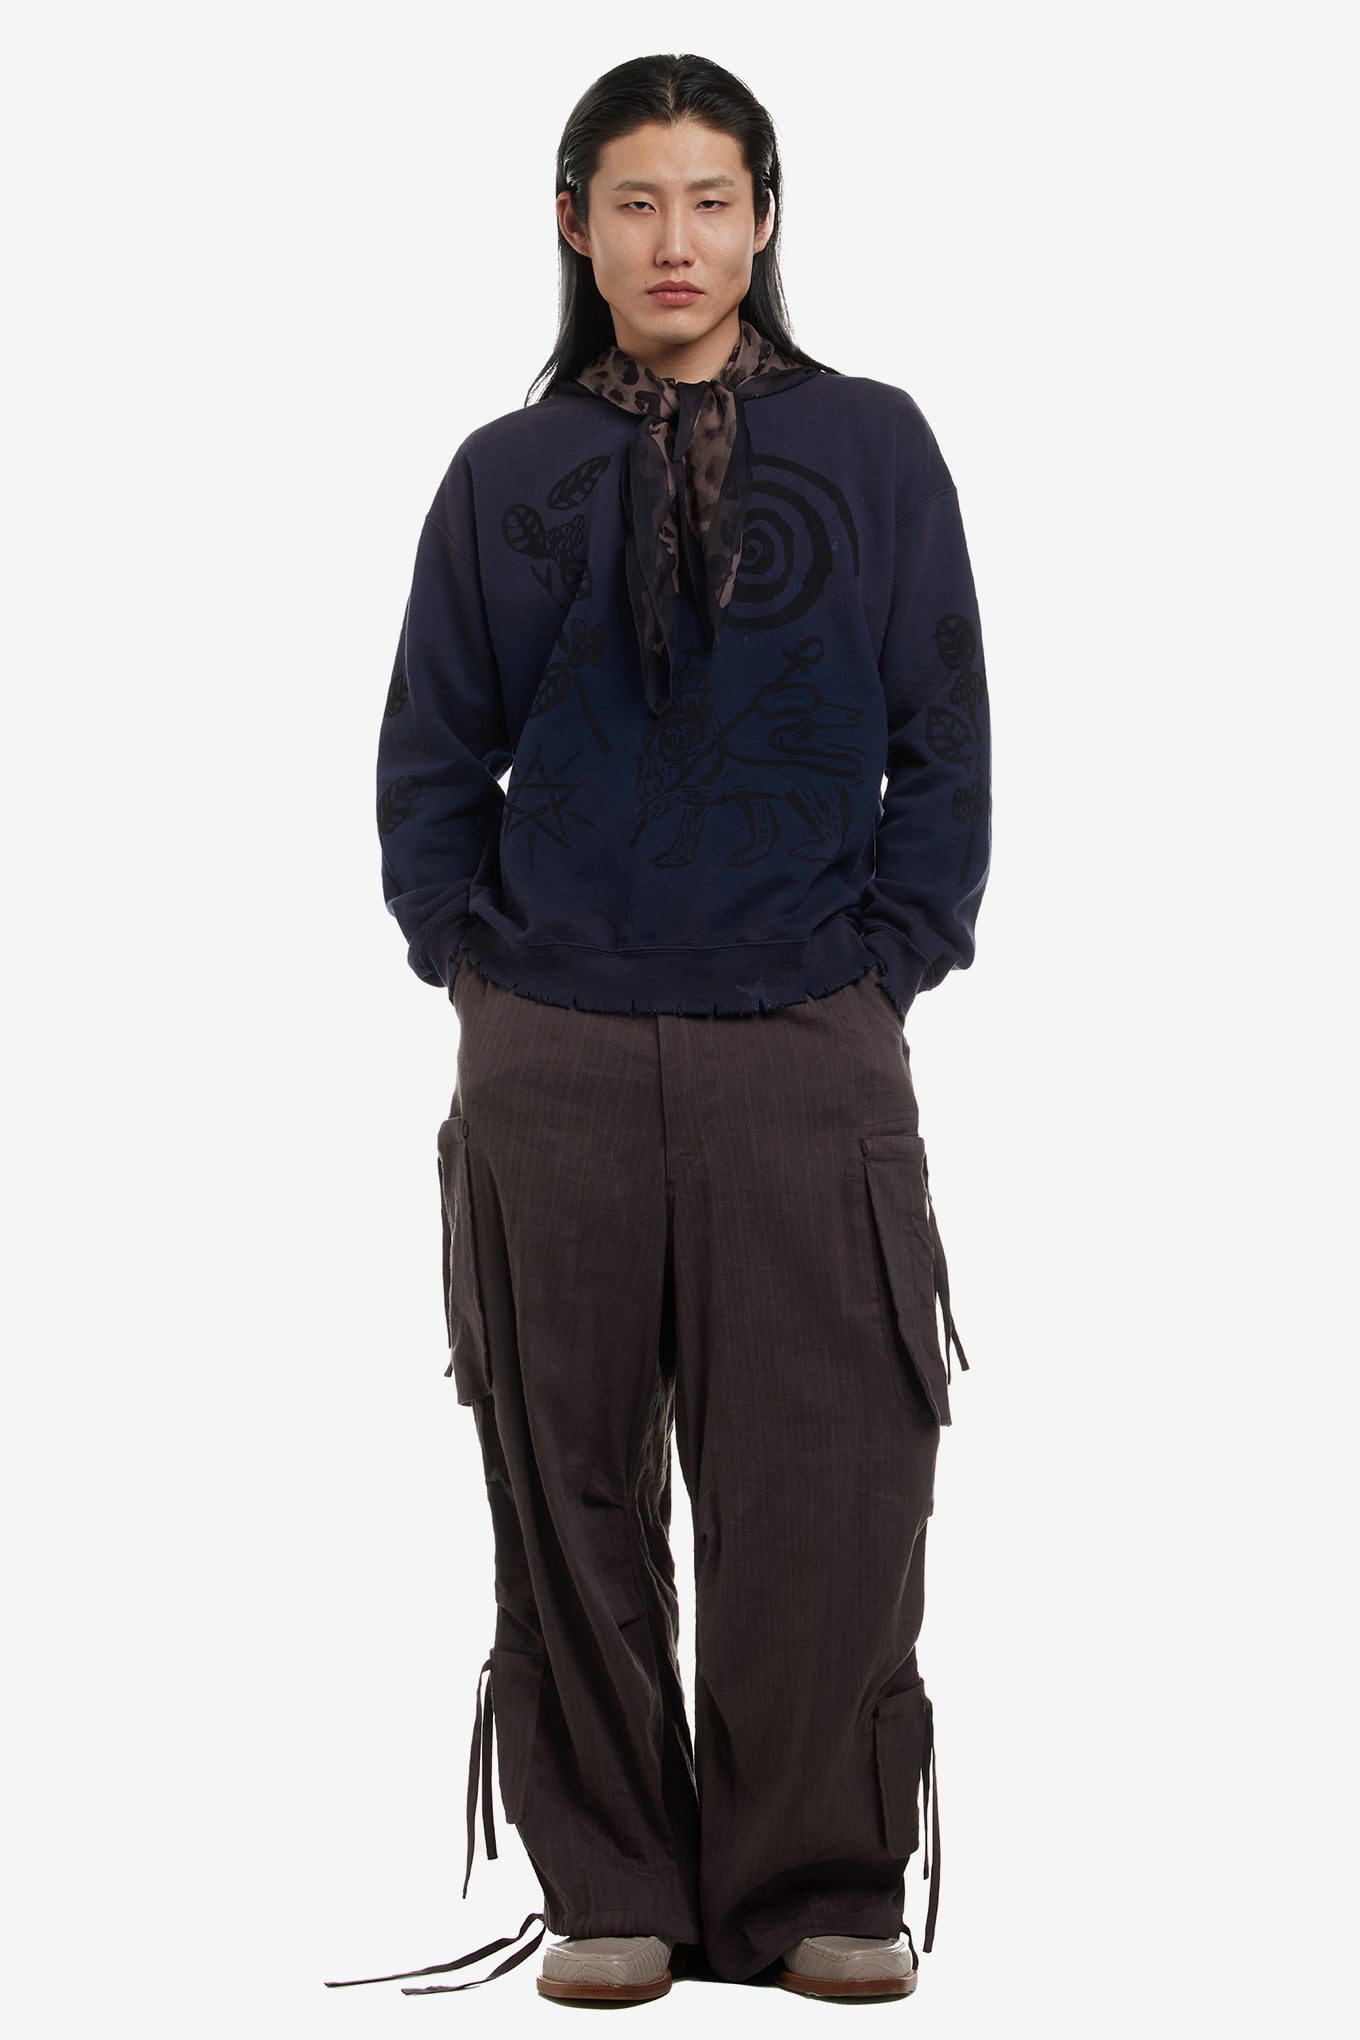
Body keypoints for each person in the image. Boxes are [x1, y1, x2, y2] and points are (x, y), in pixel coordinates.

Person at [325, 49, 990, 2010]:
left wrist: (887, 959)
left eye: (710, 199)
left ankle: (816, 1883)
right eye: (634, 202)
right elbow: (429, 753)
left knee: (830, 1470)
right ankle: (610, 1879)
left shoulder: (874, 447)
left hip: (807, 1033)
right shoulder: (502, 474)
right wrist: (475, 964)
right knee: (568, 1474)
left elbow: (943, 734)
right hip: (552, 1041)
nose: (673, 240)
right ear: (574, 227)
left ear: (763, 221)